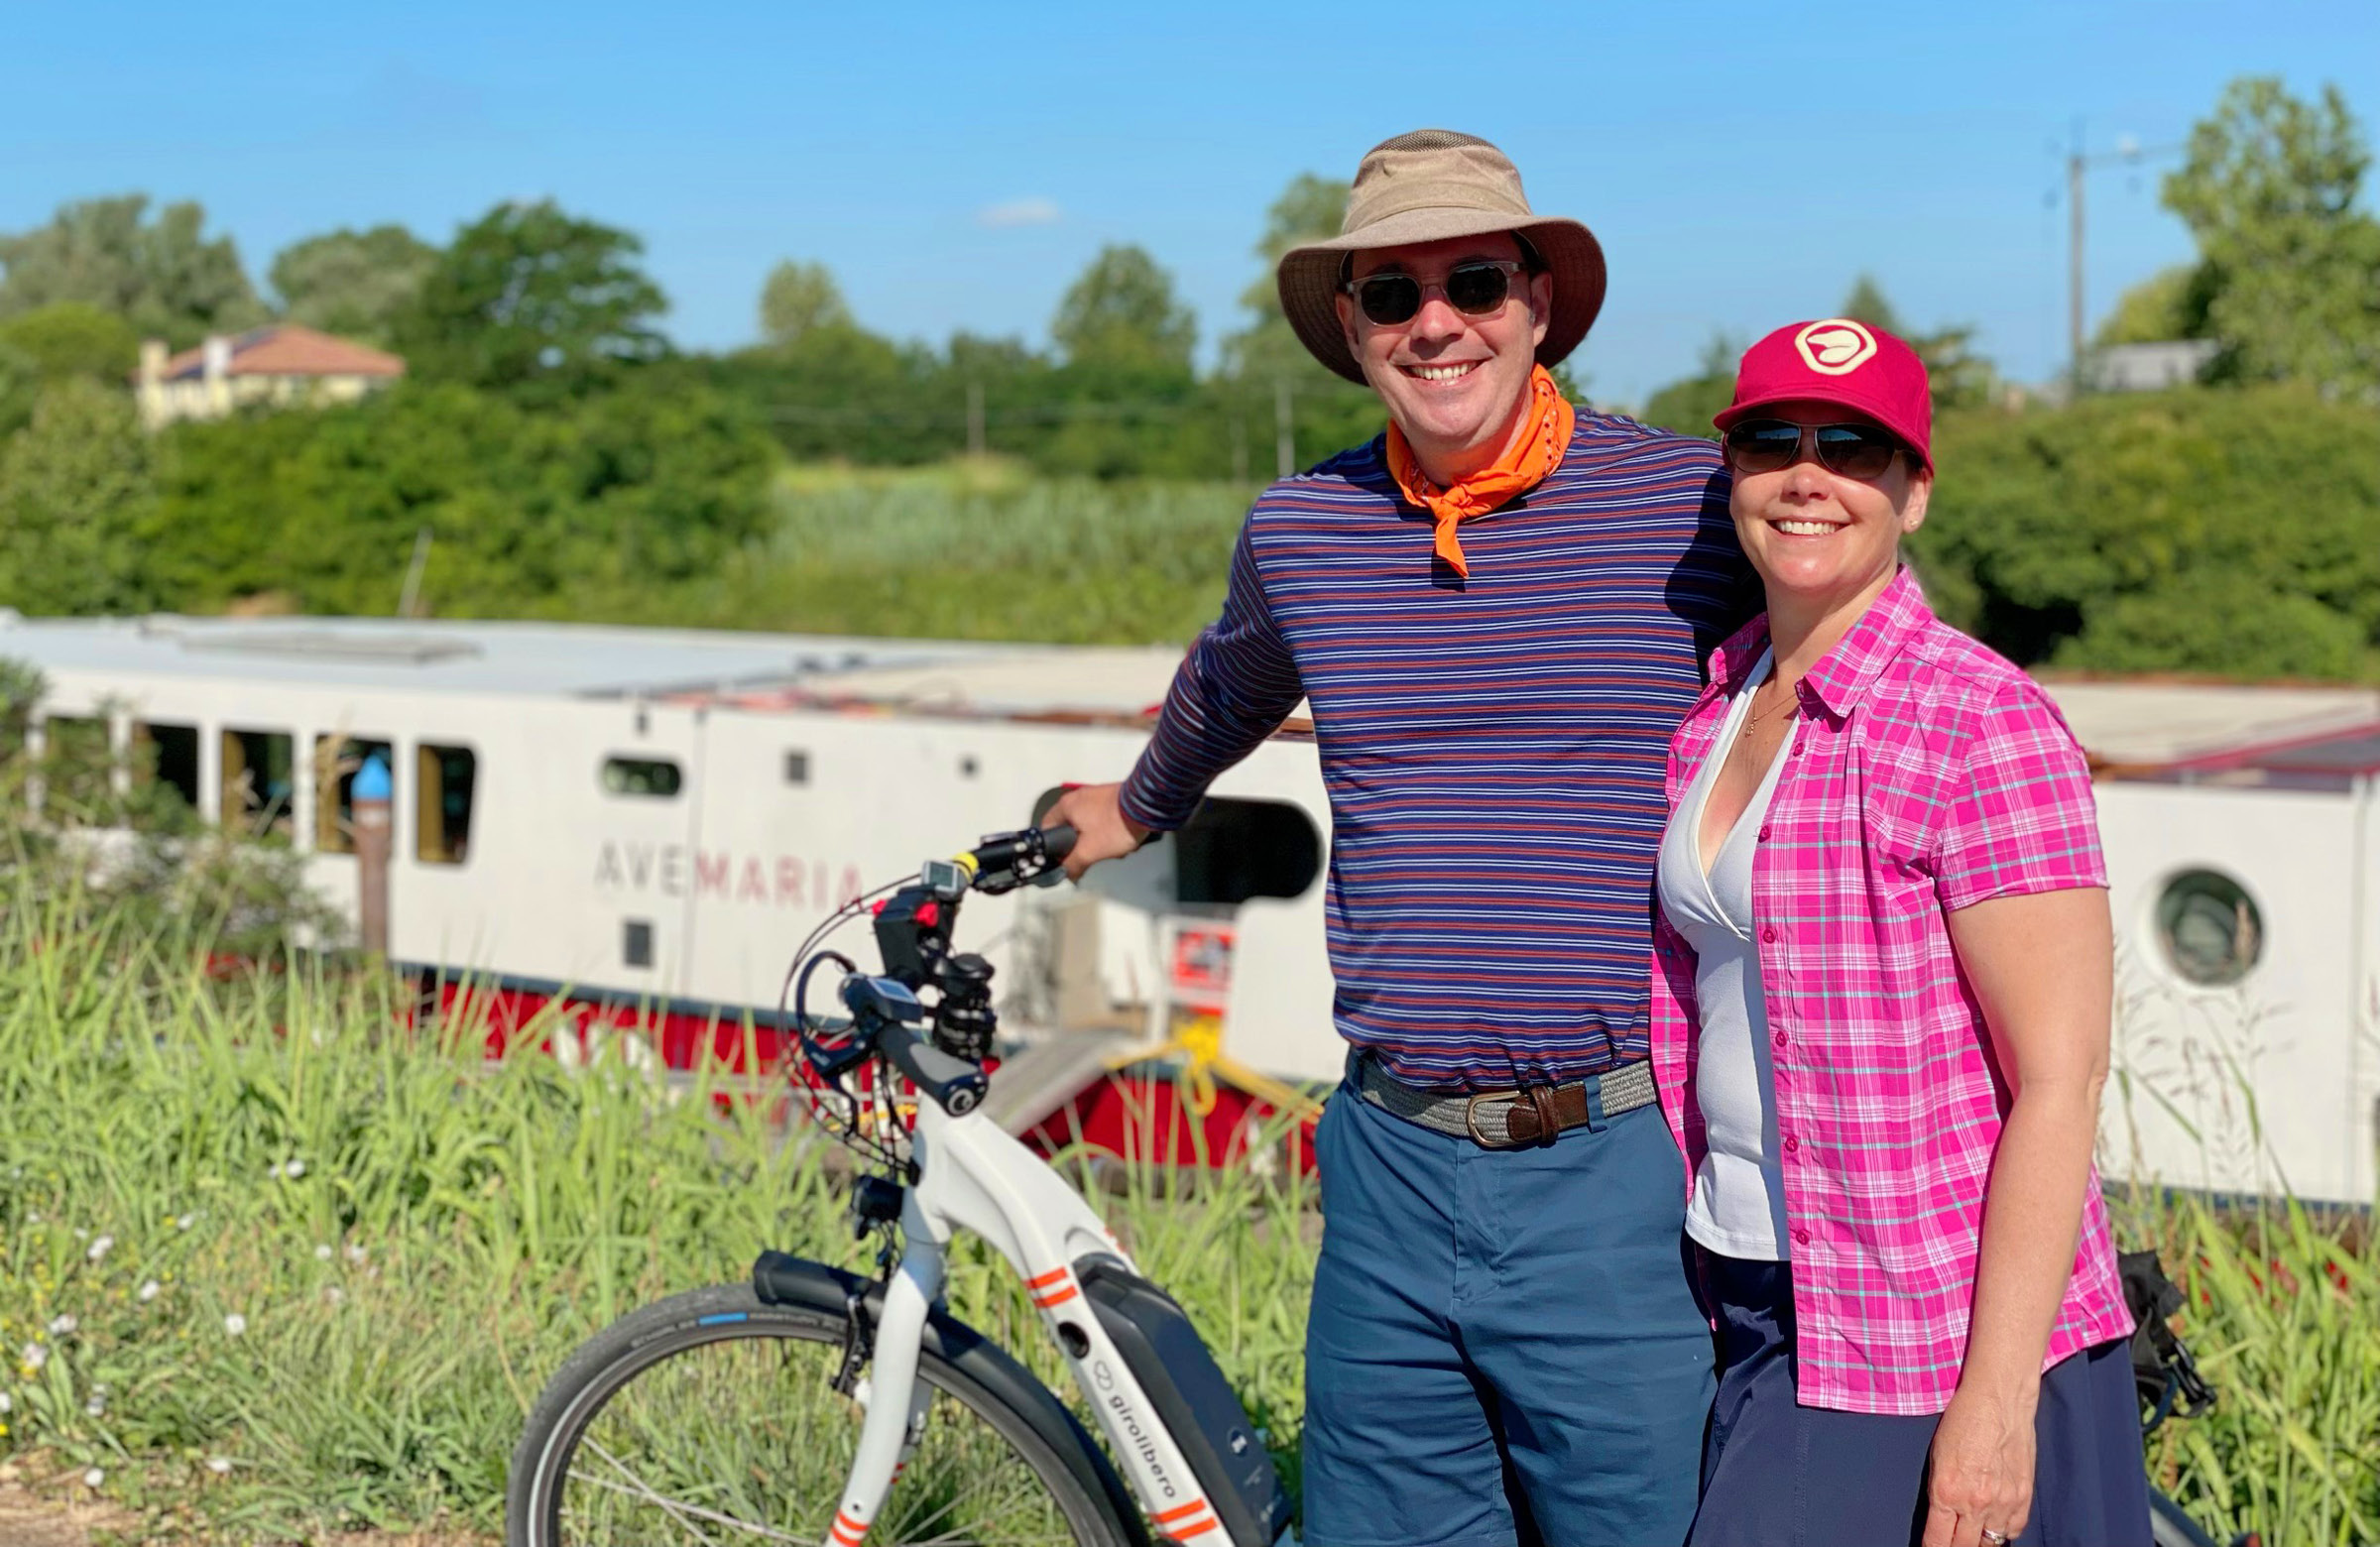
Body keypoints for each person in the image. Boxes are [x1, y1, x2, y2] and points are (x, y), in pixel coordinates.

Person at [1043, 129, 1755, 1547]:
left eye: (1475, 280)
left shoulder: (1689, 507)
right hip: (1385, 1165)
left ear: (1539, 304)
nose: (1437, 322)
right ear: (1354, 330)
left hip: (1618, 1166)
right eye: (1391, 295)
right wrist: (1131, 809)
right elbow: (1231, 681)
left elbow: (1855, 643)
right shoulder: (1304, 530)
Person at [1647, 318, 2152, 1547]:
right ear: (1732, 475)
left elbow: (2060, 1078)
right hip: (1752, 1284)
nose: (1808, 475)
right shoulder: (1715, 708)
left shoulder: (1981, 721)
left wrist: (1993, 1406)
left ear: (1912, 491)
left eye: (1854, 448)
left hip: (1928, 1325)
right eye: (1774, 440)